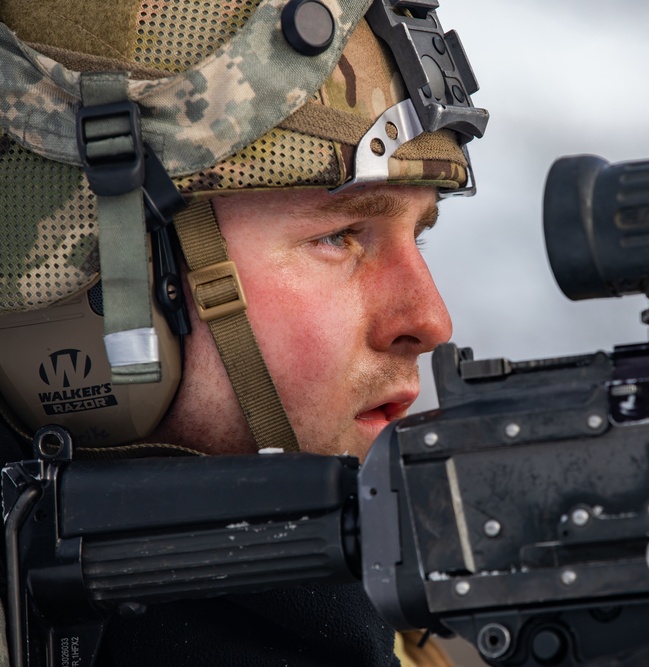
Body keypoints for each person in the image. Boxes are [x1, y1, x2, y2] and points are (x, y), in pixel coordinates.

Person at [0, 0, 488, 664]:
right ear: (96, 278)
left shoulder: (411, 633)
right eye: (340, 237)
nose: (429, 321)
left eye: (419, 237)